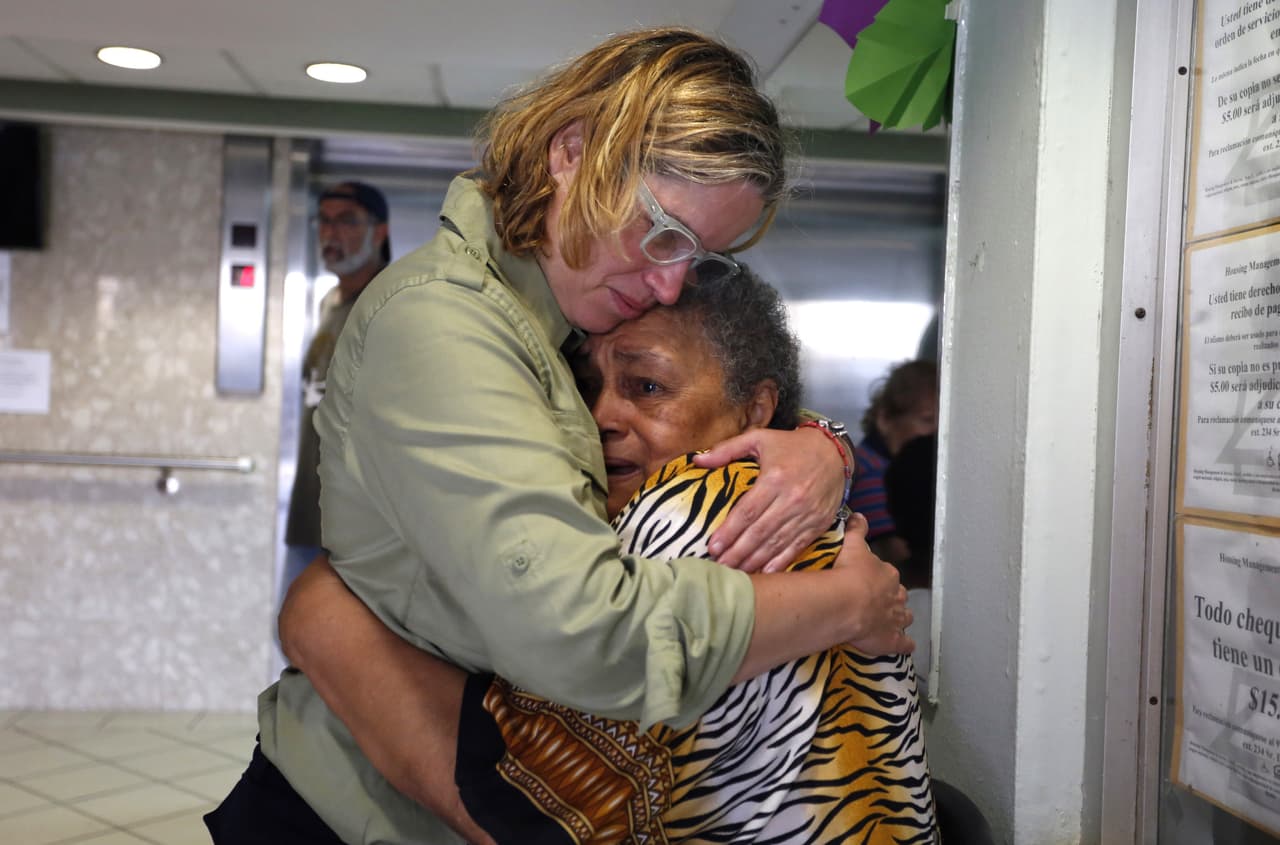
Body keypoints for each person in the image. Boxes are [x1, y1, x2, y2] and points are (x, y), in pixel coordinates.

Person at [206, 27, 911, 845]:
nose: (671, 281)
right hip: (355, 812)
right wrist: (847, 600)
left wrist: (817, 442)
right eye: (662, 232)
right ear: (572, 152)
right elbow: (583, 632)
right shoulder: (446, 324)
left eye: (700, 254)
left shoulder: (563, 314)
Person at [284, 265, 938, 843]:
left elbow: (537, 799)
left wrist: (323, 620)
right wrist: (826, 439)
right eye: (585, 385)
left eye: (647, 387)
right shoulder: (788, 501)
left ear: (754, 410)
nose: (601, 414)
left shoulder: (691, 521)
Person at [279, 181, 390, 607]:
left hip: (354, 531)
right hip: (310, 516)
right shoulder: (331, 306)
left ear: (379, 231)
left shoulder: (389, 304)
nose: (331, 233)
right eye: (324, 221)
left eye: (346, 221)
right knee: (293, 643)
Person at [849, 359, 940, 565]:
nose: (937, 432)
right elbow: (893, 551)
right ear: (885, 419)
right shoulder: (870, 472)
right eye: (927, 420)